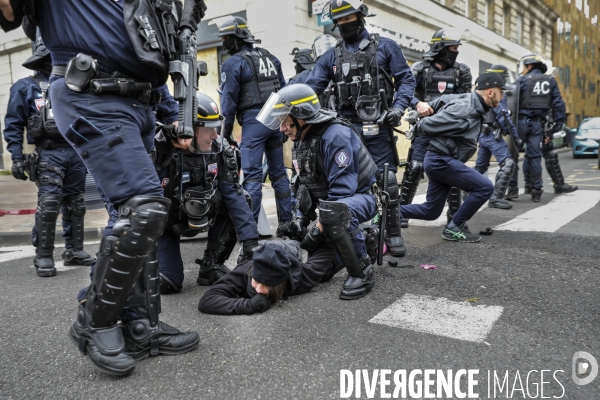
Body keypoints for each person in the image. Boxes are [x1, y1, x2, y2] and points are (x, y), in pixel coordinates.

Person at [1, 0, 203, 376]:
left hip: (140, 103)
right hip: (92, 94)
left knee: (132, 218)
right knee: (143, 210)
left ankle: (140, 327)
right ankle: (95, 319)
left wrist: (175, 116)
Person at [305, 0, 415, 258]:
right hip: (347, 130)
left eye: (348, 18)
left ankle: (393, 232)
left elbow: (406, 80)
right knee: (346, 184)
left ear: (361, 16)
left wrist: (398, 109)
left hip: (379, 127)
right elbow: (311, 90)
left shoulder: (386, 47)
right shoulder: (330, 57)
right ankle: (354, 232)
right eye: (340, 21)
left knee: (386, 180)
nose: (344, 24)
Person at [258, 84, 378, 300]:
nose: (281, 128)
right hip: (332, 207)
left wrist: (319, 229)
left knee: (335, 213)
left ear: (301, 115)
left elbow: (342, 194)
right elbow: (302, 187)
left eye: (284, 120)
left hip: (360, 200)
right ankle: (359, 244)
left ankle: (362, 270)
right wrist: (300, 221)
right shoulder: (301, 139)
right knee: (320, 274)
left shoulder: (336, 136)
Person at [2, 37, 94, 277]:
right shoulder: (26, 87)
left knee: (76, 204)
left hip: (75, 150)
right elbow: (13, 123)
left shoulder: (73, 84)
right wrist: (16, 155)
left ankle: (74, 250)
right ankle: (43, 256)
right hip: (49, 152)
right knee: (50, 204)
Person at [155, 93, 259, 293]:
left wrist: (251, 243)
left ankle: (211, 265)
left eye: (216, 128)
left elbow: (233, 196)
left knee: (242, 198)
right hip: (166, 223)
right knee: (168, 282)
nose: (215, 135)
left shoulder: (219, 149)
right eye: (209, 129)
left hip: (204, 213)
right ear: (189, 130)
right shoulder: (160, 151)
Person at [400, 73, 509, 242]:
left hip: (439, 160)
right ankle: (454, 227)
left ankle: (387, 213)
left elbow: (440, 101)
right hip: (441, 160)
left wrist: (427, 107)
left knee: (431, 211)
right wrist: (417, 126)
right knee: (485, 187)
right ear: (489, 92)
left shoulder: (467, 100)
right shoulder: (466, 109)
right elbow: (429, 124)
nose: (502, 96)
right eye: (501, 91)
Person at [217, 15, 292, 233]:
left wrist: (225, 133)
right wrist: (286, 123)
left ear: (238, 37)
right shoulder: (271, 58)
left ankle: (249, 232)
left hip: (254, 121)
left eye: (226, 38)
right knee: (279, 175)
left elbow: (228, 101)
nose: (224, 42)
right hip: (275, 119)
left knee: (252, 177)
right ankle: (286, 224)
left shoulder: (232, 63)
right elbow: (284, 91)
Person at [400, 28, 473, 227]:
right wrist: (417, 104)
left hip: (449, 129)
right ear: (440, 47)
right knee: (415, 168)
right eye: (453, 47)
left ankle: (455, 218)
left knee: (452, 170)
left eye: (457, 47)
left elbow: (467, 100)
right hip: (424, 126)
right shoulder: (419, 68)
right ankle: (400, 213)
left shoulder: (461, 71)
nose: (456, 50)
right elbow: (404, 90)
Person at [199, 240, 339, 315]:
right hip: (258, 249)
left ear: (282, 283)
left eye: (267, 285)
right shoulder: (243, 273)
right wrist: (246, 306)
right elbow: (207, 300)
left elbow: (327, 252)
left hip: (287, 251)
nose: (259, 290)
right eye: (257, 281)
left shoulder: (300, 277)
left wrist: (316, 236)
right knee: (248, 252)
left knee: (294, 245)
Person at [507, 54, 575, 202]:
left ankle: (512, 189)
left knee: (511, 156)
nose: (521, 70)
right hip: (537, 124)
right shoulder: (550, 80)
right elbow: (558, 102)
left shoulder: (521, 81)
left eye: (523, 67)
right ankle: (537, 190)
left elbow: (512, 103)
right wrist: (558, 122)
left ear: (529, 66)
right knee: (534, 157)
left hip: (520, 123)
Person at [471, 65, 523, 210]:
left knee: (480, 166)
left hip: (482, 134)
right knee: (508, 164)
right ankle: (496, 198)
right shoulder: (497, 94)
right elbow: (504, 118)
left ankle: (466, 192)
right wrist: (515, 137)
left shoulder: (479, 92)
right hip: (492, 135)